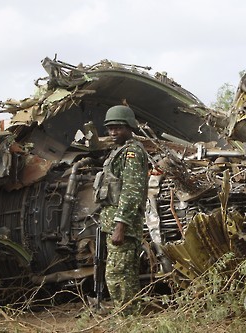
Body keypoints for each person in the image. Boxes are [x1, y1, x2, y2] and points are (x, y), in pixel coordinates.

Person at [95, 105, 149, 313]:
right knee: (125, 276)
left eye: (118, 127)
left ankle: (127, 319)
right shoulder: (120, 151)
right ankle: (130, 319)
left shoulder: (132, 152)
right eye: (110, 128)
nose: (113, 132)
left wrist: (121, 226)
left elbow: (131, 191)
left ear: (129, 127)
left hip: (122, 227)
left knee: (118, 276)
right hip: (114, 224)